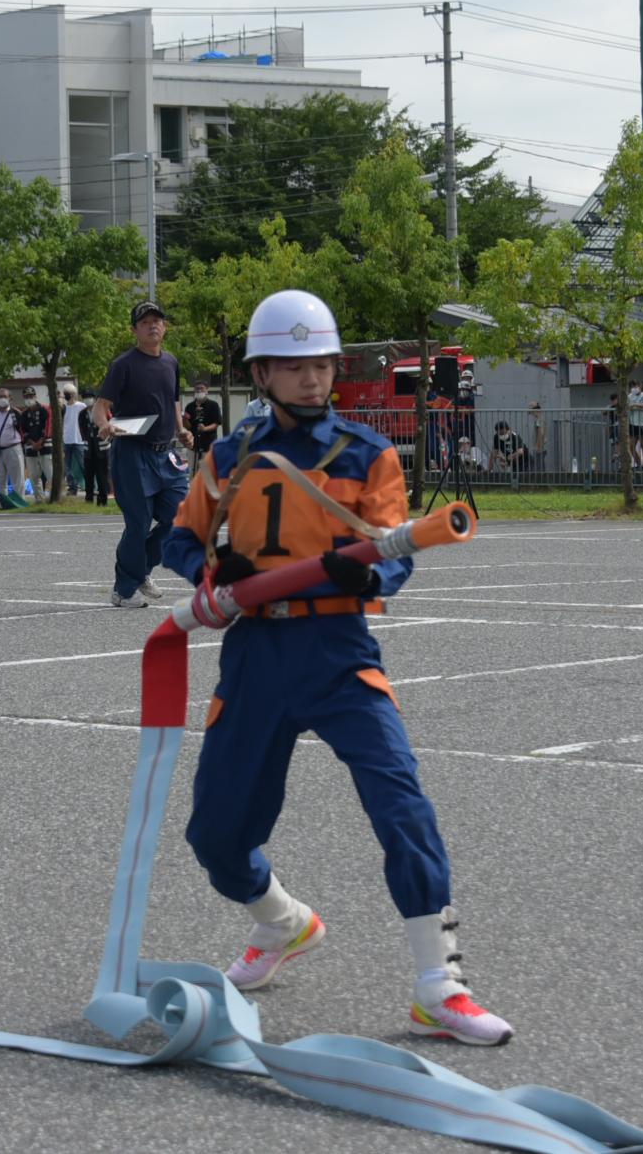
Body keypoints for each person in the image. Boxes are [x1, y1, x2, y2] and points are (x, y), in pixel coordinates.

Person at [162, 287, 512, 1047]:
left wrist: (373, 577)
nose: (312, 377)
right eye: (293, 365)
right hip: (255, 653)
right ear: (262, 372)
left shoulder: (367, 452)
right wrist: (212, 569)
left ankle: (438, 983)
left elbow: (395, 548)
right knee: (216, 839)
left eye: (320, 362)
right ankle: (283, 922)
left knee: (401, 800)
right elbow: (181, 540)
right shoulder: (228, 456)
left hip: (339, 649)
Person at [93, 300, 191, 606]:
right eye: (145, 321)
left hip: (167, 455)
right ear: (135, 329)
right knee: (138, 522)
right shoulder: (124, 365)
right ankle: (123, 591)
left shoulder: (171, 362)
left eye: (157, 320)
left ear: (165, 326)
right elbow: (100, 407)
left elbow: (173, 401)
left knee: (182, 517)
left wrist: (181, 429)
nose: (153, 326)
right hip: (132, 453)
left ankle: (140, 570)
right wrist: (104, 425)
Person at [0, 387, 29, 509]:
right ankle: (3, 503)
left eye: (4, 396)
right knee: (0, 480)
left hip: (13, 448)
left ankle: (19, 502)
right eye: (0, 397)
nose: (2, 399)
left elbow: (23, 430)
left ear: (10, 398)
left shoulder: (15, 413)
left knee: (17, 479)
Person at [19, 386, 53, 499]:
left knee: (50, 474)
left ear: (35, 396)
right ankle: (39, 499)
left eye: (31, 396)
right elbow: (22, 431)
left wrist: (40, 441)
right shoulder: (23, 414)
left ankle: (54, 498)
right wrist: (32, 443)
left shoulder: (45, 409)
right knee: (33, 476)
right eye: (26, 397)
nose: (29, 398)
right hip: (30, 447)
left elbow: (48, 426)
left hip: (46, 446)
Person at [183, 380, 223, 475]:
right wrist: (184, 419)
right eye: (197, 389)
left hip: (208, 443)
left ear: (207, 390)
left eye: (202, 389)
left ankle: (207, 489)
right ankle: (194, 489)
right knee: (192, 470)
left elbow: (216, 423)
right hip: (193, 445)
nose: (199, 391)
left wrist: (205, 428)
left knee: (207, 471)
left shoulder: (213, 405)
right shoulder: (190, 406)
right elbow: (187, 426)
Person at [80, 398, 110, 507]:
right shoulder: (82, 414)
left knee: (102, 476)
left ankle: (103, 499)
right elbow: (82, 429)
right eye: (85, 397)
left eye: (90, 397)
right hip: (88, 449)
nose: (88, 399)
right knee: (88, 476)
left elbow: (110, 423)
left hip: (101, 448)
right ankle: (88, 499)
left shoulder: (104, 411)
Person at [60, 384, 89, 494]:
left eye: (67, 393)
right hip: (67, 440)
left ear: (73, 394)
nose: (66, 395)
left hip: (79, 440)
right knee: (67, 467)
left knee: (83, 464)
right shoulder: (63, 408)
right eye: (65, 393)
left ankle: (90, 486)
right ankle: (72, 487)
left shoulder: (81, 405)